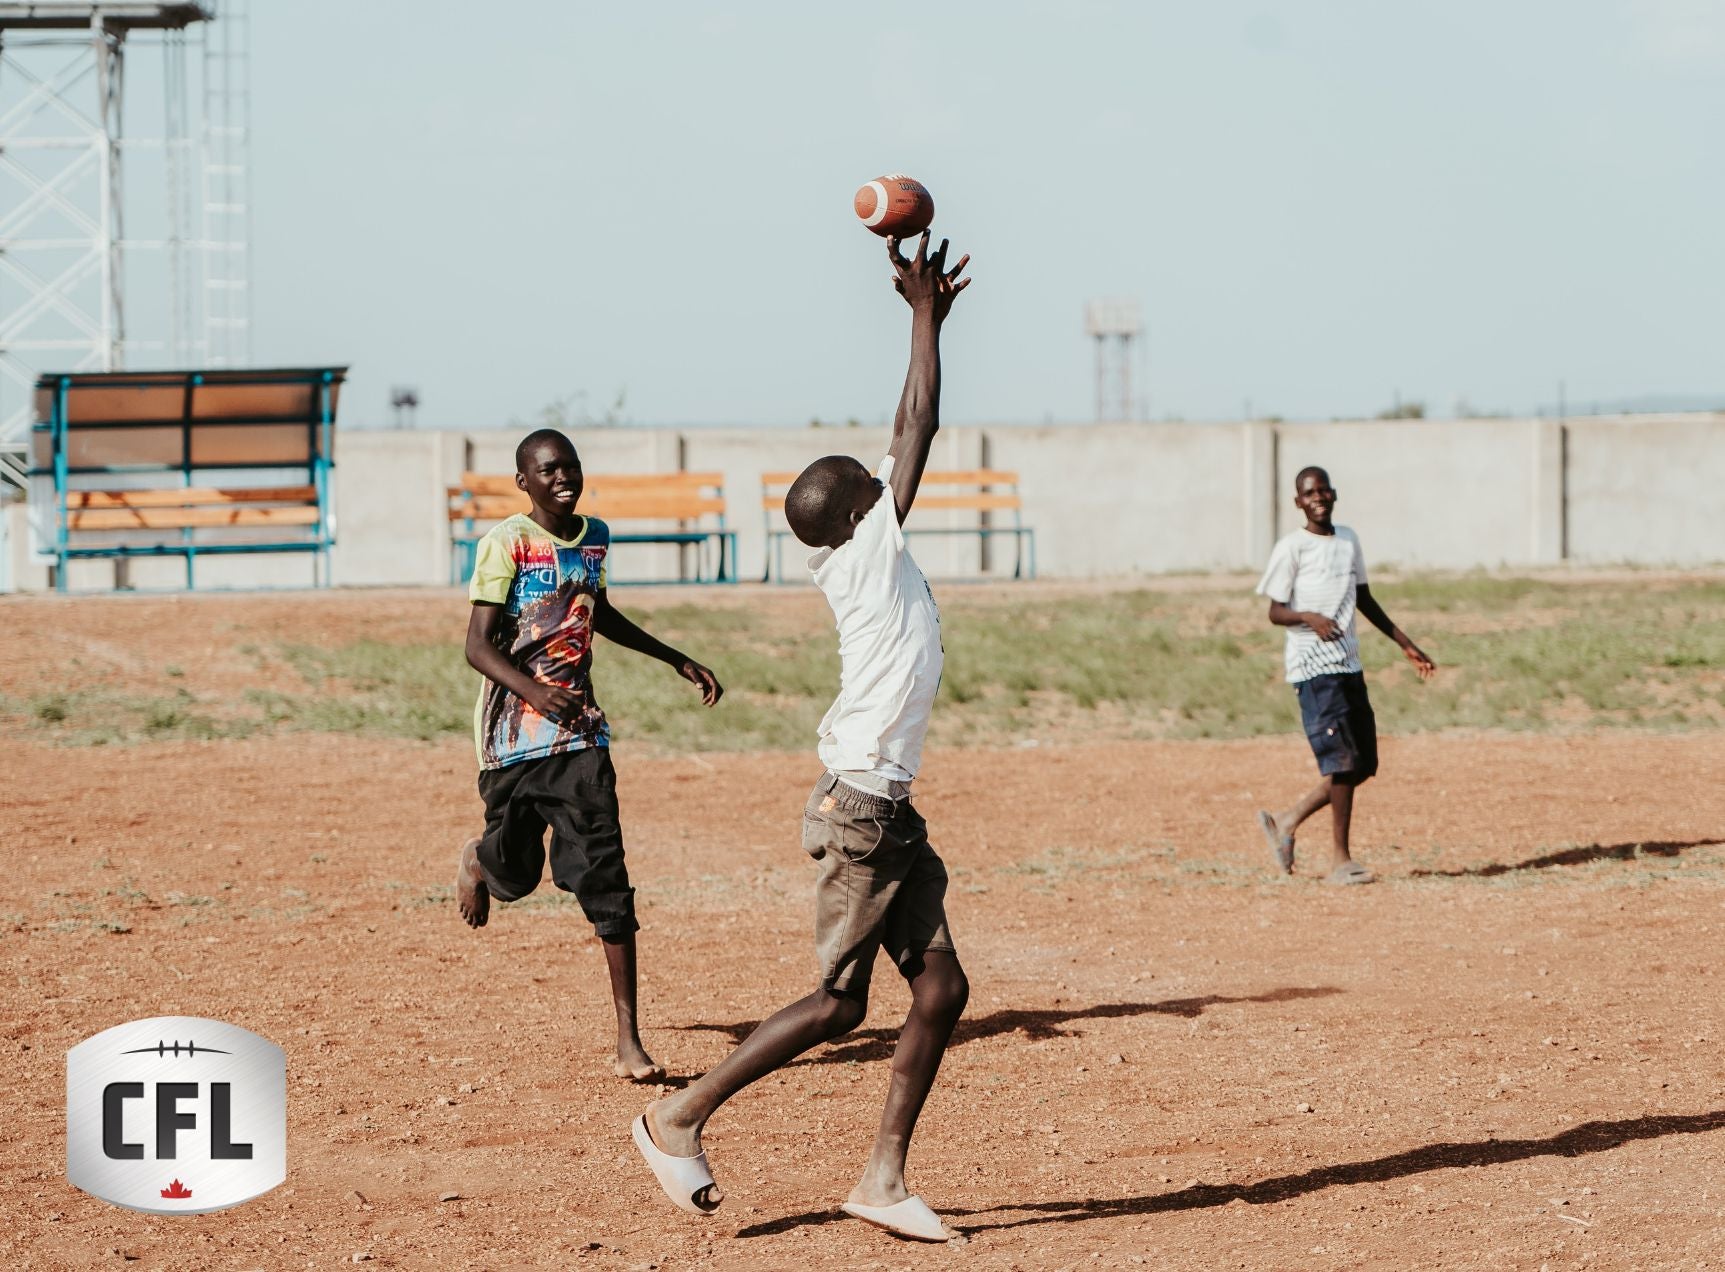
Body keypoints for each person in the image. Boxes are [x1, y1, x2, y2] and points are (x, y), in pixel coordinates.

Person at [630, 230, 971, 1243]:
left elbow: (901, 443)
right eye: (876, 490)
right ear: (865, 515)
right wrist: (922, 317)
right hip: (862, 812)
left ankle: (881, 1180)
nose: (888, 486)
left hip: (883, 809)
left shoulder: (858, 549)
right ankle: (674, 1115)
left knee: (942, 989)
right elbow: (917, 423)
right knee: (835, 1007)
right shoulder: (871, 553)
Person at [453, 428, 723, 1082]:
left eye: (569, 466)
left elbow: (594, 610)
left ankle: (628, 1039)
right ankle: (479, 863)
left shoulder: (594, 536)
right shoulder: (506, 543)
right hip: (513, 741)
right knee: (514, 875)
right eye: (547, 471)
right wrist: (534, 692)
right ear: (524, 482)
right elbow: (478, 647)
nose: (562, 478)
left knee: (606, 878)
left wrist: (673, 657)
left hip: (581, 738)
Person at [1254, 465, 1435, 884]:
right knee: (1341, 760)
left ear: (1334, 494)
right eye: (1308, 492)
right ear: (1298, 502)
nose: (1318, 497)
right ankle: (1340, 861)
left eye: (1323, 490)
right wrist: (1308, 617)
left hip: (1349, 665)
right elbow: (1274, 611)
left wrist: (1405, 643)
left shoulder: (1348, 540)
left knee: (1364, 763)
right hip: (1313, 670)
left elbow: (1365, 599)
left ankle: (1285, 821)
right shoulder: (1292, 548)